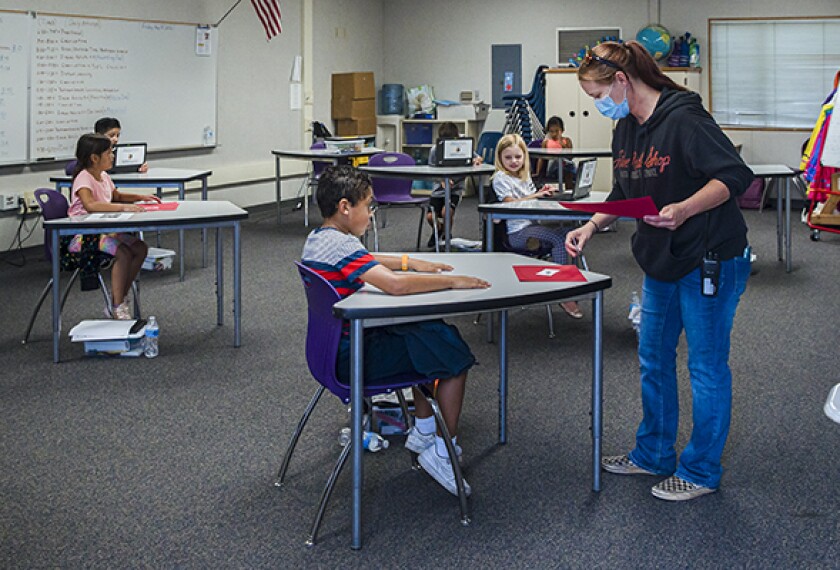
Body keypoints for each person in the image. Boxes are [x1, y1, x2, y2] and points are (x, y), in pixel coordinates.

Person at [565, 41, 753, 501]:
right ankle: (653, 453)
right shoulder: (627, 129)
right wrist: (590, 225)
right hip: (661, 259)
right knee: (653, 358)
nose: (597, 106)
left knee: (706, 368)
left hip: (710, 255)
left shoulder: (684, 119)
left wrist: (685, 209)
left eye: (598, 95)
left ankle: (702, 470)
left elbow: (734, 176)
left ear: (623, 82)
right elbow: (624, 191)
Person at [301, 165, 490, 496]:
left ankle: (424, 431)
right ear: (345, 207)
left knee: (426, 331)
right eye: (368, 205)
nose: (371, 214)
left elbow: (366, 258)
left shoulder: (320, 240)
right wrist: (451, 280)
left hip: (331, 351)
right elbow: (395, 288)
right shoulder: (341, 247)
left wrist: (411, 262)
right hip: (353, 360)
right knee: (453, 354)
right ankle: (442, 452)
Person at [64, 133, 160, 319]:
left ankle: (120, 297)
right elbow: (90, 205)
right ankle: (117, 306)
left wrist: (140, 198)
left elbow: (115, 195)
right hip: (83, 237)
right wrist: (124, 207)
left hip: (103, 232)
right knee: (122, 252)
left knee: (139, 248)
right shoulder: (84, 178)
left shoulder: (103, 176)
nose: (113, 156)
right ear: (94, 158)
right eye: (109, 152)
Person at [493, 133, 583, 319]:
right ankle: (562, 292)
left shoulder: (524, 176)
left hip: (532, 227)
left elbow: (531, 200)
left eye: (518, 157)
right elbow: (511, 203)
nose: (513, 161)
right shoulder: (501, 177)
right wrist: (536, 197)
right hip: (518, 233)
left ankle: (569, 284)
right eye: (508, 157)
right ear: (500, 158)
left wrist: (542, 193)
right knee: (559, 239)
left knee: (570, 234)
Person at [425, 122, 483, 248]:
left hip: (455, 190)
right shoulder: (435, 150)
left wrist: (476, 160)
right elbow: (430, 170)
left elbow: (478, 158)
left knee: (447, 212)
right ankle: (438, 230)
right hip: (438, 190)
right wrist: (441, 180)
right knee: (430, 216)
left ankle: (447, 234)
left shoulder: (462, 145)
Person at [535, 115, 575, 188]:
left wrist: (563, 145)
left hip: (566, 165)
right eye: (551, 131)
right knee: (557, 161)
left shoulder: (567, 140)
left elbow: (570, 157)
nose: (554, 134)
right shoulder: (546, 142)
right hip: (552, 166)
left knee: (569, 166)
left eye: (557, 131)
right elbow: (541, 158)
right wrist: (538, 172)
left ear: (562, 130)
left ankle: (571, 187)